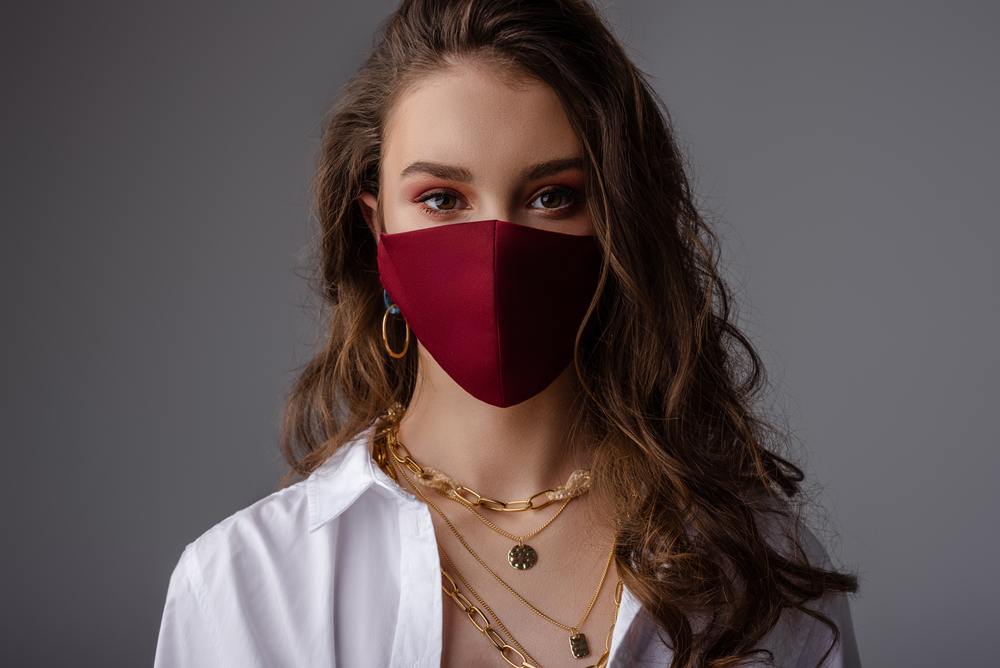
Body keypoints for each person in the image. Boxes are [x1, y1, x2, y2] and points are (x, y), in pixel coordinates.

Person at [154, 0, 860, 666]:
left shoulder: (756, 566)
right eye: (440, 199)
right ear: (376, 228)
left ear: (618, 223)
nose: (495, 246)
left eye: (553, 197)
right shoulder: (248, 584)